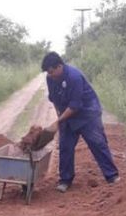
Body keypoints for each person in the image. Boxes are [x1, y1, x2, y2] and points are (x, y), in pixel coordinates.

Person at [41, 51, 120, 192]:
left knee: (97, 143)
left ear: (60, 66)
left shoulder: (74, 77)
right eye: (48, 72)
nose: (50, 75)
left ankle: (112, 176)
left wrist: (58, 121)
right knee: (65, 147)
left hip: (87, 114)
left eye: (52, 71)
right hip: (67, 114)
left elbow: (75, 106)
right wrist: (59, 116)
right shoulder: (50, 78)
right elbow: (54, 98)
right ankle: (65, 180)